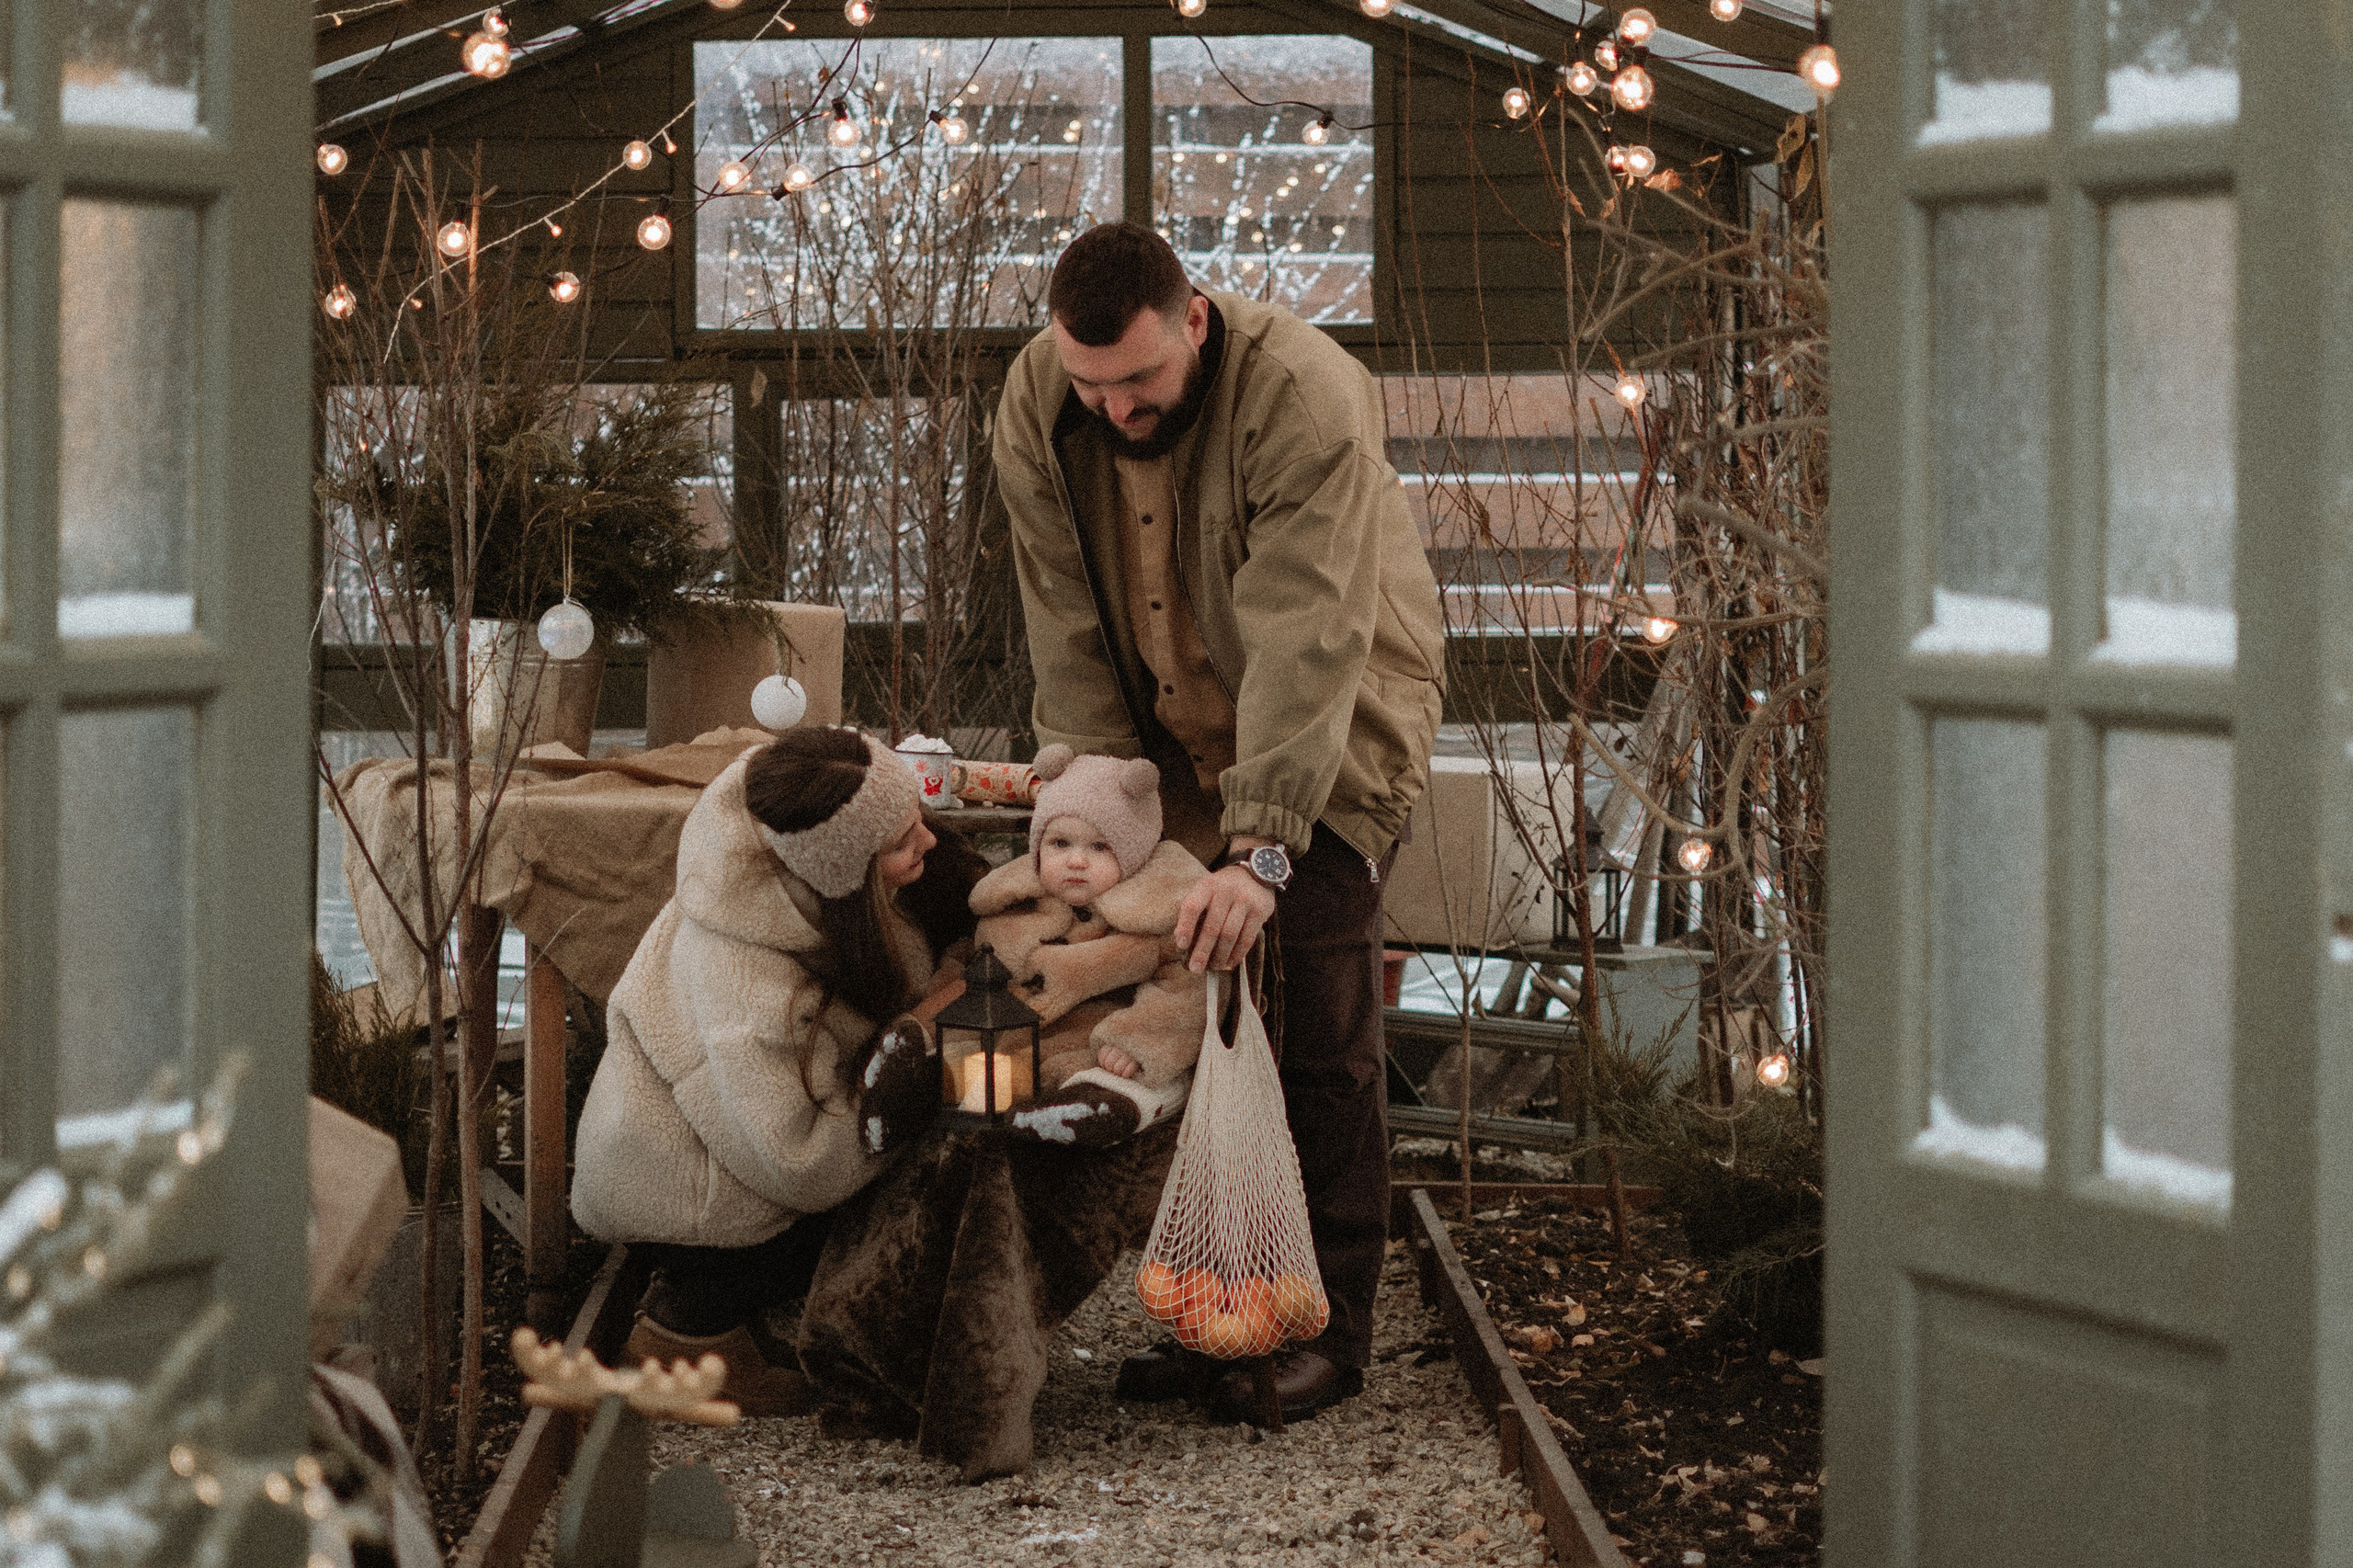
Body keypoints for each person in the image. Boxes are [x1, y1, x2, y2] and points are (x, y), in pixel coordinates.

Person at [991, 221, 1445, 1422]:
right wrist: (1095, 802)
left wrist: (1264, 850)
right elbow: (1063, 614)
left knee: (1316, 1018)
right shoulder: (1041, 398)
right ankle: (1215, 1316)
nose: (1117, 408)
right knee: (1191, 1015)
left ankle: (1327, 1330)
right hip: (1174, 737)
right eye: (1092, 384)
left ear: (1194, 319)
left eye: (1140, 378)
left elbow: (1307, 634)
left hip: (1336, 722)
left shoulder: (1303, 394)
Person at [568, 725, 985, 1415]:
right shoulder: (746, 984)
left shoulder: (792, 837)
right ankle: (687, 1328)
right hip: (684, 1197)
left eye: (918, 818)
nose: (927, 842)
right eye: (900, 843)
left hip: (725, 1149)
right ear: (846, 872)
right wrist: (922, 1034)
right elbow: (801, 1161)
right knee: (911, 1184)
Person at [968, 744, 1211, 1106]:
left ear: (1134, 856)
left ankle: (1080, 1114)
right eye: (1060, 843)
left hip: (1096, 1041)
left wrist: (1134, 1040)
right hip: (1005, 1036)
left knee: (1093, 1083)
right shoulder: (1013, 901)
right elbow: (968, 967)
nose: (1076, 861)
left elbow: (1185, 990)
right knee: (962, 1062)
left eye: (1099, 848)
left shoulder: (1153, 915)